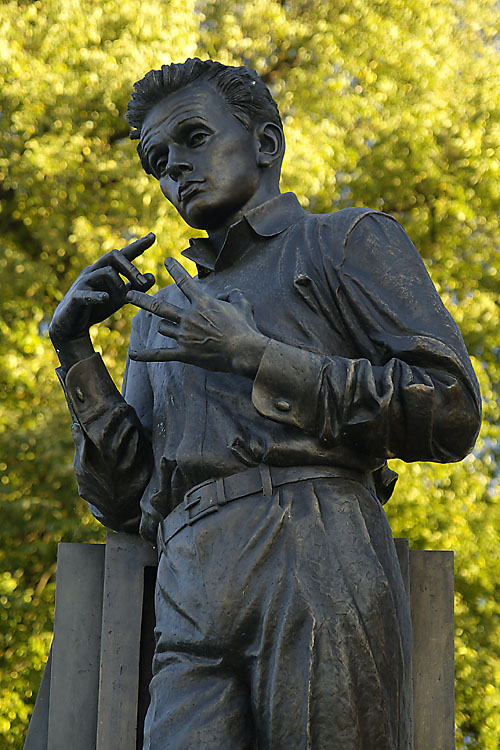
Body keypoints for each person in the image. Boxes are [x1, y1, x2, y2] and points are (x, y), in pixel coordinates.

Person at [49, 59, 481, 749]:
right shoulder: (159, 316)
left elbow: (450, 409)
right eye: (157, 160)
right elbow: (122, 500)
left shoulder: (342, 240)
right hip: (187, 578)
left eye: (193, 138)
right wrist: (74, 350)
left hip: (313, 547)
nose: (175, 170)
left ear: (266, 143)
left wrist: (255, 355)